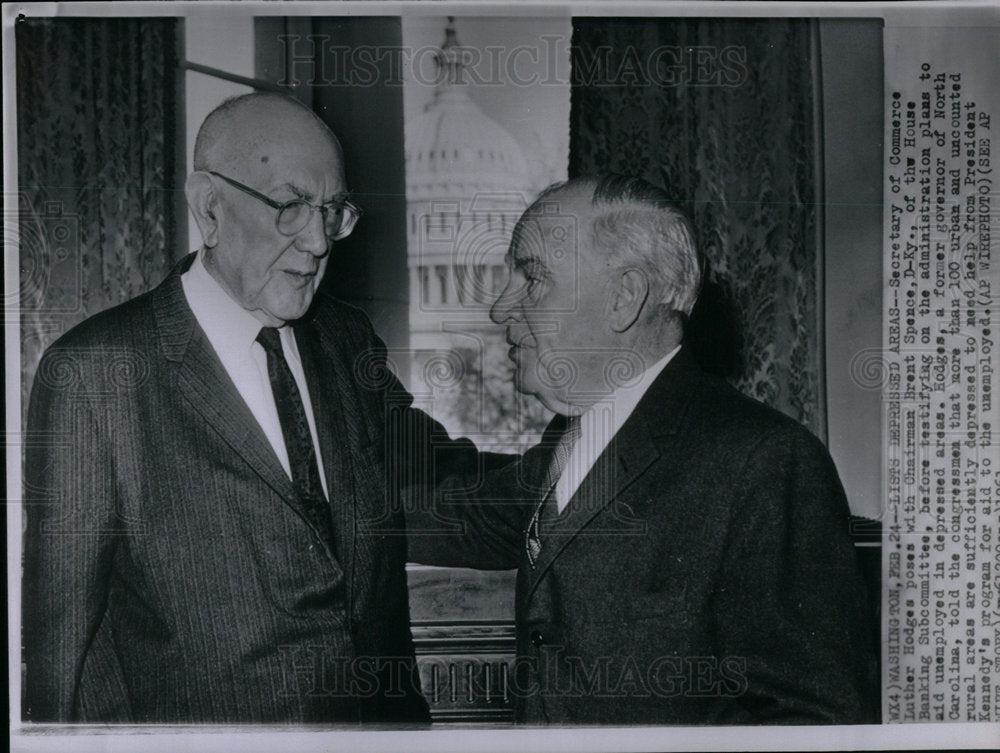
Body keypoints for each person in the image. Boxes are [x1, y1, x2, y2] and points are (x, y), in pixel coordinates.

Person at [22, 92, 491, 724]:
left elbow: (448, 482)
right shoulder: (95, 374)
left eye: (333, 212)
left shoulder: (346, 339)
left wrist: (597, 452)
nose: (320, 241)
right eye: (292, 207)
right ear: (210, 208)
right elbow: (62, 646)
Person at [406, 173, 880, 724]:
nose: (500, 310)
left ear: (624, 298)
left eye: (531, 279)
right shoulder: (575, 436)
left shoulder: (766, 461)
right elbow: (467, 513)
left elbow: (813, 723)